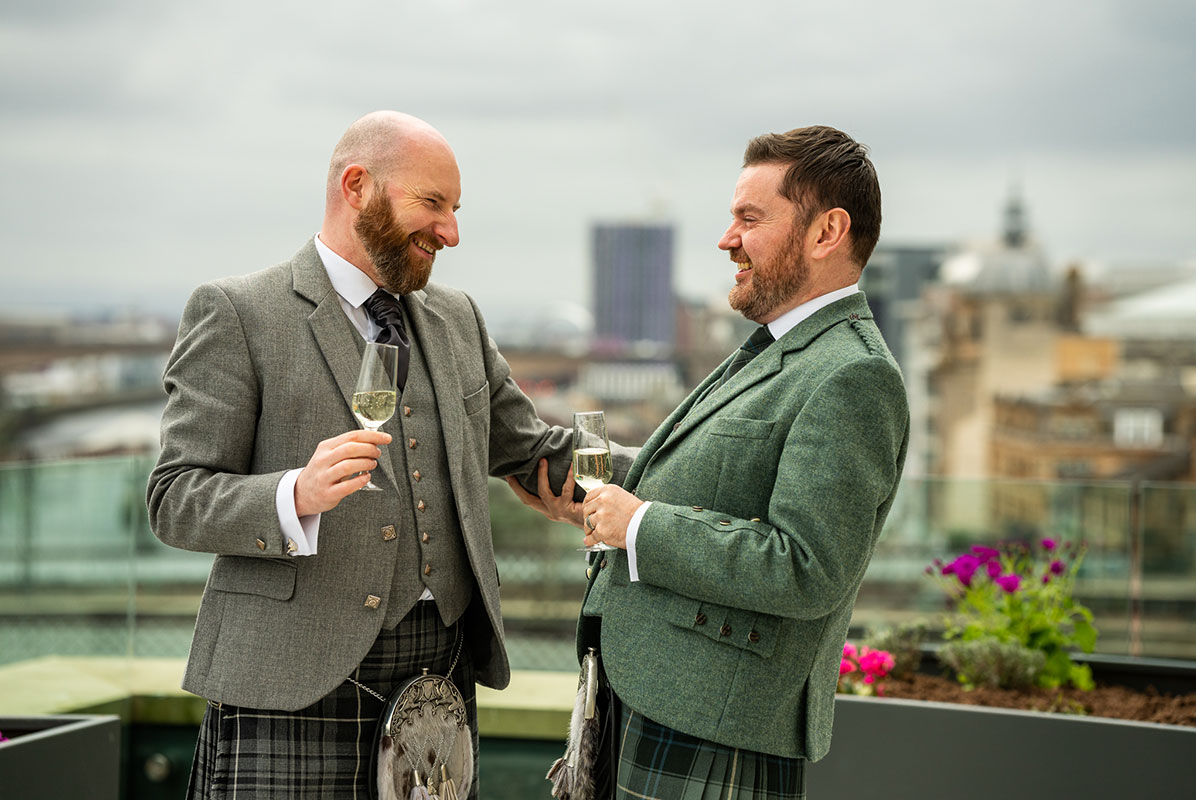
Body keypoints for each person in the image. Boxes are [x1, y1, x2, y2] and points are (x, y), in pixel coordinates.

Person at [147, 111, 629, 799]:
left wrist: (682, 460)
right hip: (292, 677)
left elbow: (532, 448)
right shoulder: (239, 313)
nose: (451, 231)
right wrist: (294, 494)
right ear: (356, 186)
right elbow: (174, 497)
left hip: (442, 672)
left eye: (455, 209)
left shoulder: (457, 318)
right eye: (432, 203)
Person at [510, 125, 910, 799]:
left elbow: (806, 567)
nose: (728, 239)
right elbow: (717, 472)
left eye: (750, 219)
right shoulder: (780, 346)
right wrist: (594, 493)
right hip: (652, 703)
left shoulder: (853, 375)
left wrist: (637, 525)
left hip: (714, 728)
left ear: (826, 232)